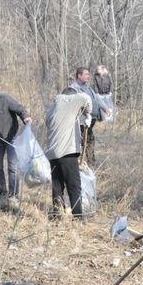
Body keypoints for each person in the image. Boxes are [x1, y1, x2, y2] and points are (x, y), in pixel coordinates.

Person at [45, 87, 92, 219]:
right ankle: (78, 217)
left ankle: (56, 215)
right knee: (74, 186)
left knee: (57, 186)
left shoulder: (53, 108)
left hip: (52, 153)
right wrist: (88, 114)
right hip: (67, 152)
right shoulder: (69, 99)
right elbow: (86, 98)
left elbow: (50, 123)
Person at [70, 67, 110, 166]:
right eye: (86, 74)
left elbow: (96, 98)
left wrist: (105, 108)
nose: (88, 76)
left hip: (90, 121)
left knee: (90, 140)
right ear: (79, 75)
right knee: (83, 142)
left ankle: (91, 163)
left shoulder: (88, 88)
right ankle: (78, 165)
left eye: (89, 74)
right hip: (81, 122)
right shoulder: (73, 89)